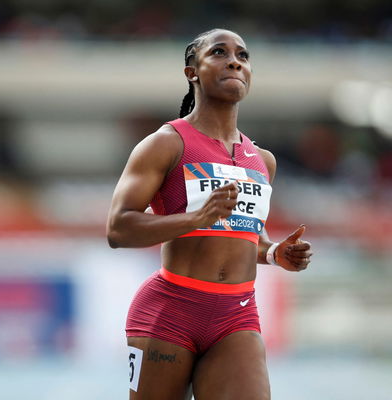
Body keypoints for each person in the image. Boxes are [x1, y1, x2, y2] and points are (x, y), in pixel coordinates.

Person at [107, 28, 313, 400]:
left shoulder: (262, 160)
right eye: (219, 52)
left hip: (237, 315)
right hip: (170, 311)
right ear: (192, 72)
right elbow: (118, 229)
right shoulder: (165, 144)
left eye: (243, 55)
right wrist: (194, 219)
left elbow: (243, 235)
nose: (235, 60)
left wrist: (272, 252)